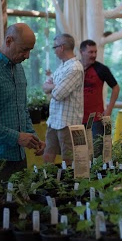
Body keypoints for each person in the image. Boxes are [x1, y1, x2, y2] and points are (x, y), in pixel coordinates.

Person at [0, 23, 45, 181]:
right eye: (24, 50)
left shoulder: (19, 69)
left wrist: (33, 138)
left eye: (30, 50)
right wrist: (16, 137)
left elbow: (22, 109)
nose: (27, 56)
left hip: (18, 157)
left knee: (20, 204)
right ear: (8, 41)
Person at [42, 33, 84, 164]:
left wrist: (52, 87)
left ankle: (68, 184)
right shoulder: (62, 66)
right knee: (48, 154)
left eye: (55, 47)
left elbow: (59, 94)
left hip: (68, 123)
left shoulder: (75, 68)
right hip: (54, 120)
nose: (54, 51)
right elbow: (44, 87)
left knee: (69, 160)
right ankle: (45, 182)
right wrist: (54, 86)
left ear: (62, 47)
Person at [80, 39, 120, 146]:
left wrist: (109, 110)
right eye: (90, 52)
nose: (94, 55)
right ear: (81, 52)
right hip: (77, 118)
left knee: (98, 151)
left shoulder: (101, 69)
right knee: (79, 152)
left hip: (96, 119)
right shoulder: (74, 68)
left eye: (95, 52)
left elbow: (116, 88)